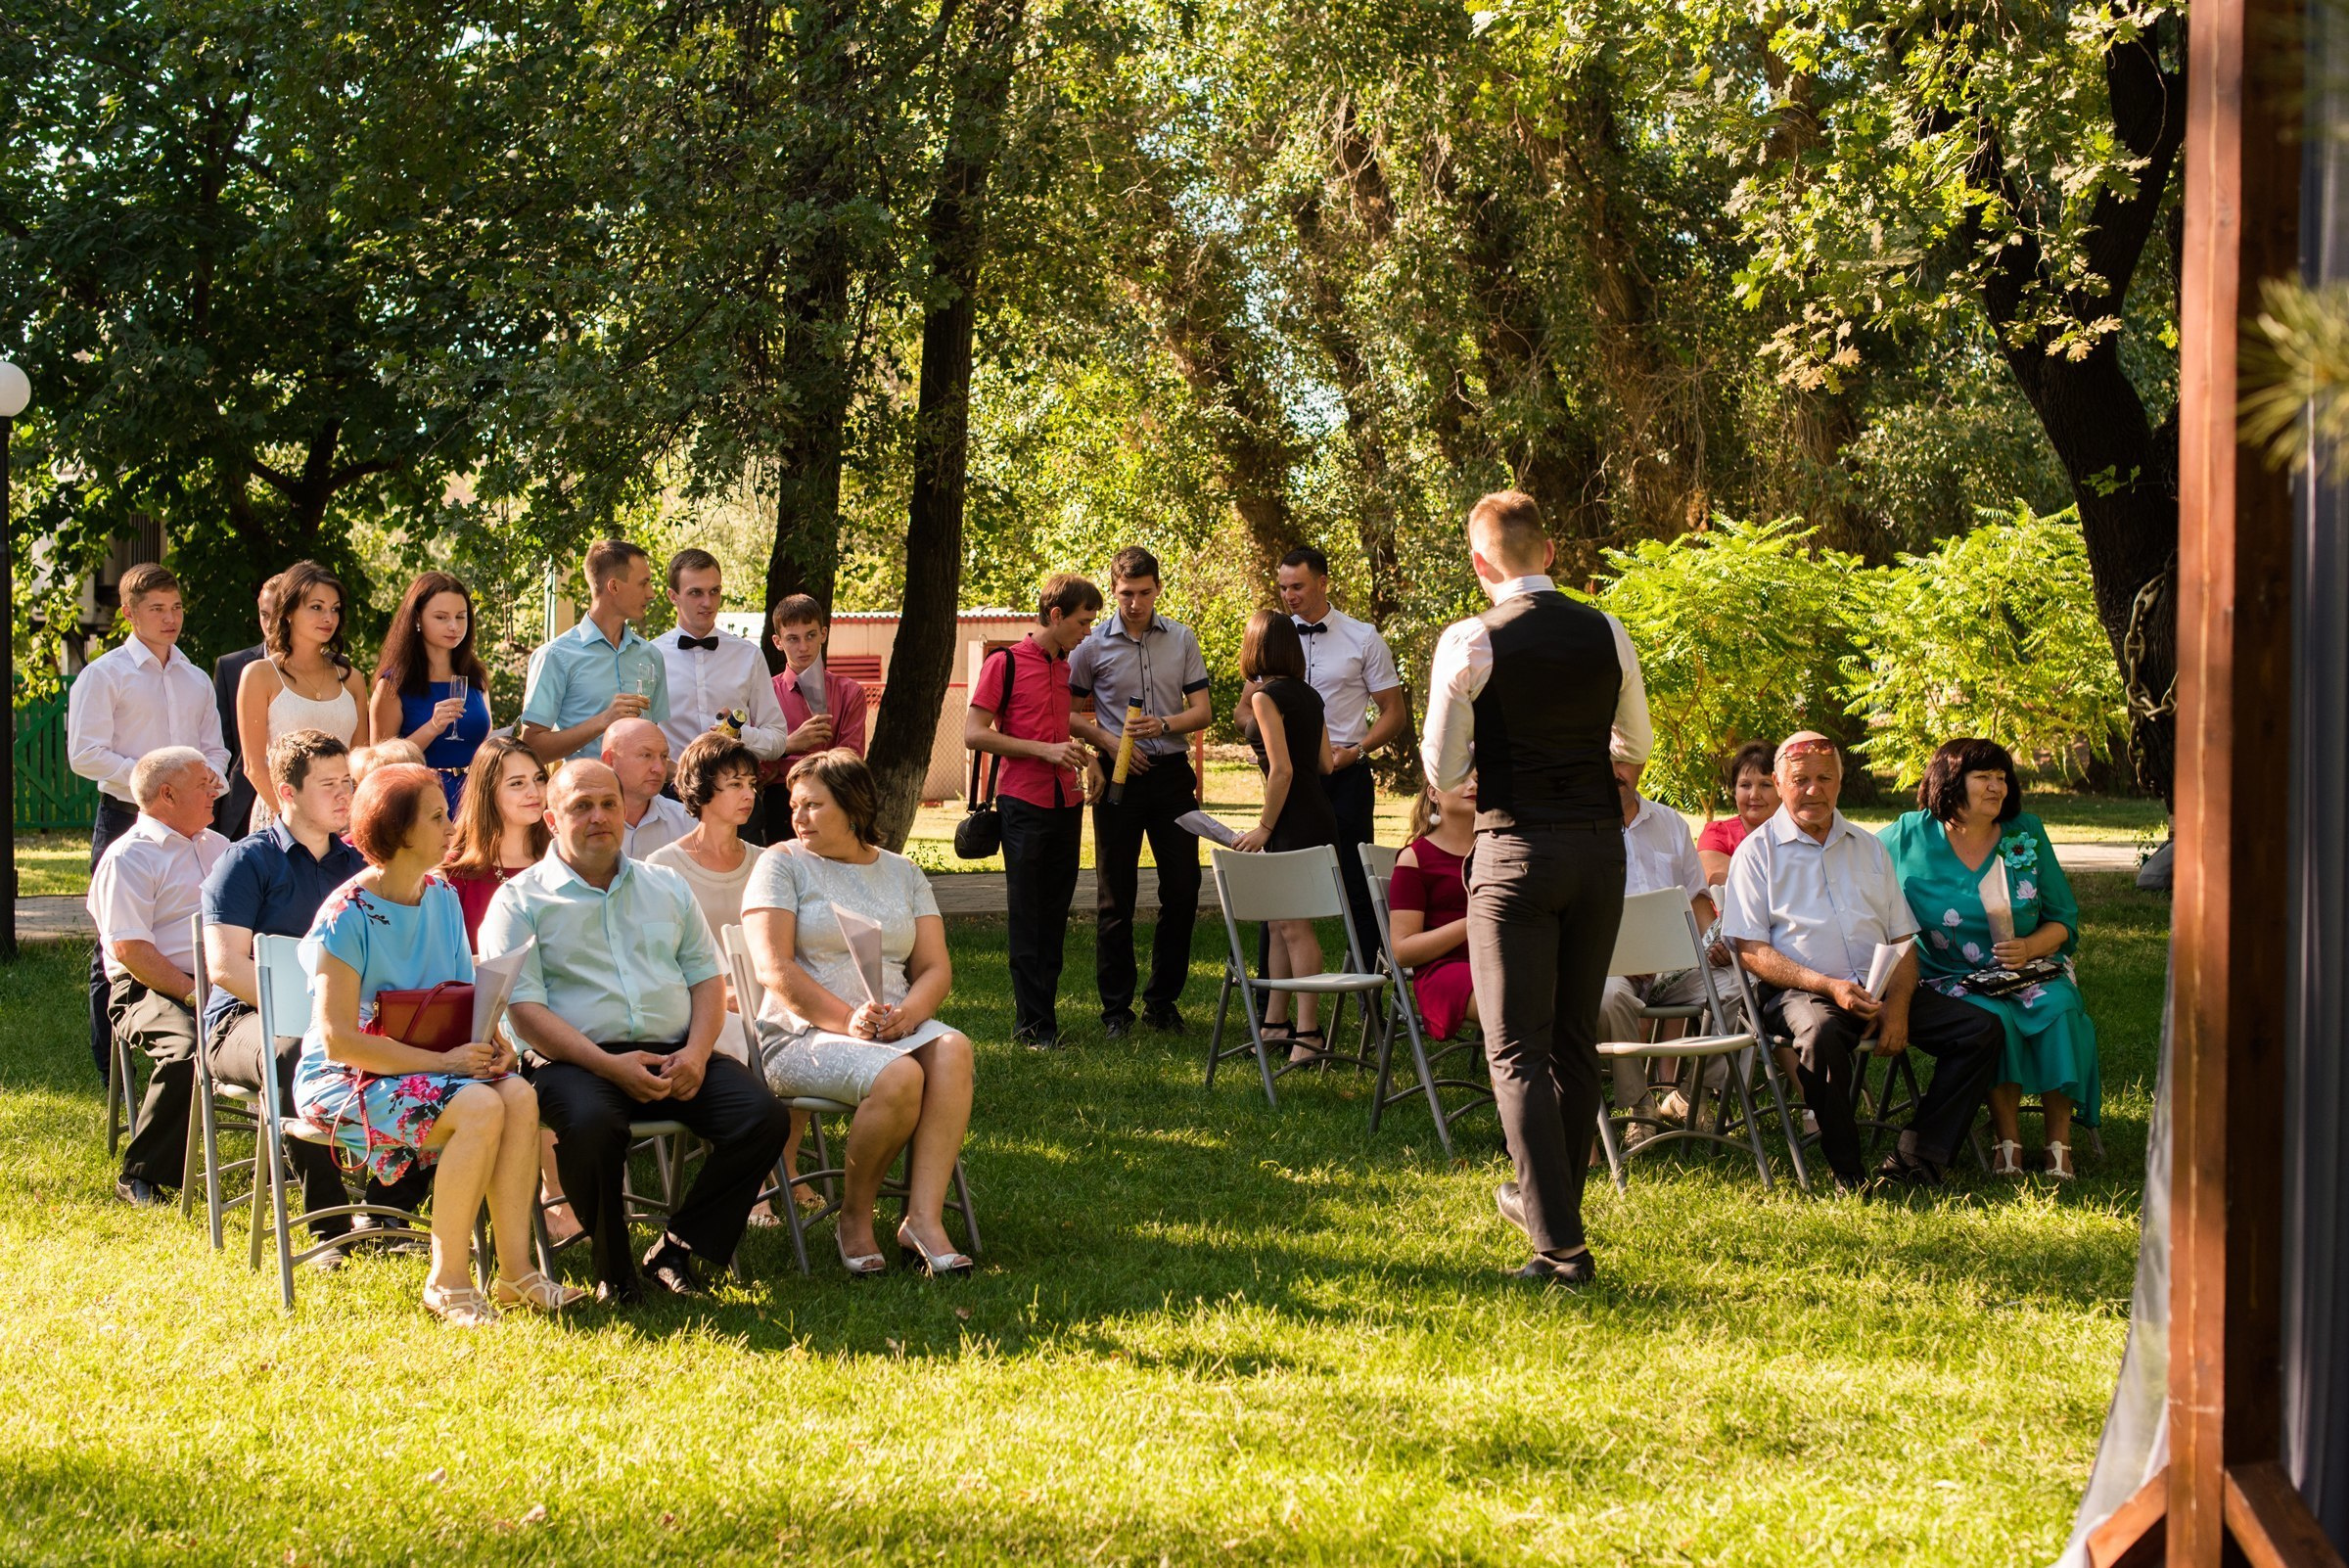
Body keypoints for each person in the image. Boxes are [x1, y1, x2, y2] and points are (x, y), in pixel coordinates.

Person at [1421, 489, 1653, 1283]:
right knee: (1571, 1042)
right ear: (1548, 553)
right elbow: (1637, 742)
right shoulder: (1606, 628)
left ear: (1481, 563)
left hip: (1516, 850)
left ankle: (1559, 1247)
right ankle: (1550, 1205)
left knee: (1516, 1047)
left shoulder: (1469, 640)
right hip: (1597, 852)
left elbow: (1444, 773)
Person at [484, 761, 790, 1304]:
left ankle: (677, 1247)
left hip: (677, 1054)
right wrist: (607, 1067)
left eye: (609, 803)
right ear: (552, 821)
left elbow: (706, 980)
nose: (599, 816)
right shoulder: (518, 901)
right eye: (581, 806)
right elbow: (526, 1012)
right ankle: (614, 1270)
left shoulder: (665, 885)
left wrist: (698, 1053)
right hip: (574, 1062)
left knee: (761, 1118)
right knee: (593, 1123)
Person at [297, 763, 581, 1324]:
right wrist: (446, 1063)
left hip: (429, 1068)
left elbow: (464, 998)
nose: (452, 826)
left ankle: (516, 1274)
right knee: (477, 1106)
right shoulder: (346, 914)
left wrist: (493, 1043)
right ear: (400, 832)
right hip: (348, 1078)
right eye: (436, 817)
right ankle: (447, 1282)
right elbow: (338, 1042)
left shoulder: (443, 895)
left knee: (518, 1094)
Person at [1721, 733, 2004, 1192]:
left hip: (1879, 986)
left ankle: (1916, 1159)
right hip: (1802, 992)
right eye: (1801, 780)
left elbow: (1903, 939)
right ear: (1778, 781)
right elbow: (1752, 951)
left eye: (1824, 778)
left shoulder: (1868, 847)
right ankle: (1848, 1174)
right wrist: (1828, 986)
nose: (1814, 789)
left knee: (1981, 1031)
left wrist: (1898, 1001)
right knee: (1821, 1033)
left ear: (1840, 781)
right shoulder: (1758, 853)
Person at [742, 751, 978, 1277]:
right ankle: (855, 1217)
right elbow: (773, 966)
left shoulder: (903, 872)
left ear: (853, 807)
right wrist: (848, 1018)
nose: (797, 817)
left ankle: (923, 1218)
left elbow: (935, 967)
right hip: (801, 1033)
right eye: (794, 805)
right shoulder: (781, 863)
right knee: (899, 1076)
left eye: (813, 805)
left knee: (954, 1047)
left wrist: (909, 1015)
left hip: (893, 1028)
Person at [1880, 738, 2100, 1180]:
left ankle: (2059, 1145)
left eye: (2002, 777)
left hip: (2032, 968)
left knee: (2058, 1008)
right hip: (1952, 977)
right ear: (1950, 782)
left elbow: (2064, 920)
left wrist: (2030, 947)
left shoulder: (2026, 832)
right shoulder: (1907, 835)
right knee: (1992, 1017)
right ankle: (2008, 1144)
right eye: (1983, 777)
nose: (1996, 787)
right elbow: (1854, 874)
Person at [199, 728, 370, 1246]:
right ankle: (331, 1226)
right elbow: (225, 967)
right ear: (288, 793)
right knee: (292, 1052)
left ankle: (390, 1214)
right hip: (246, 1022)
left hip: (336, 1017)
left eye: (348, 781)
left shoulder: (357, 864)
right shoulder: (246, 861)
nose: (345, 795)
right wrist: (311, 1014)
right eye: (328, 784)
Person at [67, 563, 230, 1083]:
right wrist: (150, 782)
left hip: (191, 820)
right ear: (130, 614)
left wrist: (209, 783)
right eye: (157, 609)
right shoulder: (105, 675)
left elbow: (215, 748)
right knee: (115, 943)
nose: (170, 618)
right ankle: (113, 1072)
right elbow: (84, 753)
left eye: (176, 607)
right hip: (124, 817)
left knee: (195, 923)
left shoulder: (196, 677)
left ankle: (205, 1032)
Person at [1068, 546, 1214, 1038]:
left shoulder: (1182, 639)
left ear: (1158, 589)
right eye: (1126, 594)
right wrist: (1106, 743)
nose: (1135, 603)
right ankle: (1115, 1012)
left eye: (1145, 592)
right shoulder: (1090, 647)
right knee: (1116, 896)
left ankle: (1162, 1002)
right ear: (1113, 591)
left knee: (1183, 888)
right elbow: (1063, 712)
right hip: (1118, 777)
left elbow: (1203, 710)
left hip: (1172, 776)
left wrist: (1164, 723)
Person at [1237, 545, 1405, 954]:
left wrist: (1358, 752)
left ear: (1323, 582)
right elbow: (1244, 711)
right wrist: (1258, 733)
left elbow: (1394, 713)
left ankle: (1371, 1002)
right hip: (1287, 782)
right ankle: (1270, 1013)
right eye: (1282, 588)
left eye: (1298, 586)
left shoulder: (1363, 637)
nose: (1289, 596)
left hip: (1344, 776)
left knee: (1357, 886)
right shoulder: (1272, 639)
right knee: (1279, 897)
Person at [960, 574, 1100, 1049]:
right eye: (1083, 621)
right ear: (1056, 615)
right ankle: (1032, 1026)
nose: (1088, 631)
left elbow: (1062, 729)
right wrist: (1043, 751)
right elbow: (974, 733)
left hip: (1067, 801)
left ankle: (1044, 1019)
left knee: (1055, 913)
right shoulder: (1005, 663)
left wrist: (1088, 755)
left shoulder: (1065, 669)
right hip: (1023, 802)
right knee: (1028, 915)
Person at [87, 746, 230, 1204]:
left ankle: (294, 1153)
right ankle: (140, 1175)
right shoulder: (129, 856)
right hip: (148, 984)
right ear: (166, 794)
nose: (216, 792)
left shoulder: (220, 847)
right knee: (189, 1049)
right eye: (203, 784)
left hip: (225, 975)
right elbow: (130, 949)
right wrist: (193, 993)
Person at [1597, 752, 1730, 1134]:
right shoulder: (1575, 827)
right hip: (1611, 966)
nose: (1614, 771)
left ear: (1640, 765)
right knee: (1607, 998)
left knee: (1742, 984)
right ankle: (1640, 1104)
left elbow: (1696, 899)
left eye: (1622, 761)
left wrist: (1712, 947)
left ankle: (1690, 1093)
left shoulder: (1669, 822)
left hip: (1675, 964)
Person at [1232, 609, 1339, 1061]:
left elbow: (1284, 770)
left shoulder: (1265, 697)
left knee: (1293, 927)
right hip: (1316, 812)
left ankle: (1310, 1034)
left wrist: (1265, 827)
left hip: (1292, 819)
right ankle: (1275, 1025)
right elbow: (1327, 764)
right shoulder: (1309, 695)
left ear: (1255, 648)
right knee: (1278, 925)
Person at [652, 550, 791, 841]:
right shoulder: (649, 658)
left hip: (738, 802)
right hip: (670, 801)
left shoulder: (748, 655)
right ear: (672, 596)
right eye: (696, 593)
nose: (708, 602)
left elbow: (777, 738)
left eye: (715, 591)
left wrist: (741, 738)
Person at [646, 733, 764, 1065]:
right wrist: (717, 996)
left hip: (767, 1001)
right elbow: (657, 960)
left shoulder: (768, 862)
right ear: (703, 788)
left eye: (752, 784)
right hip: (697, 1010)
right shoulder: (663, 866)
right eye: (736, 784)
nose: (748, 794)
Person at [235, 559, 371, 829]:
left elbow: (359, 763)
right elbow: (254, 766)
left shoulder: (352, 678)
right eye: (316, 607)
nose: (328, 618)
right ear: (288, 612)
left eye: (334, 609)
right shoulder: (259, 675)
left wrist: (347, 819)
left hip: (343, 821)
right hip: (281, 818)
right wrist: (295, 822)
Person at [517, 539, 669, 764]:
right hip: (588, 795)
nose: (651, 593)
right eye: (643, 583)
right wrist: (603, 720)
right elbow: (532, 749)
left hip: (646, 797)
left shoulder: (651, 655)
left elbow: (654, 745)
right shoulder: (555, 656)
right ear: (614, 586)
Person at [367, 571, 494, 815]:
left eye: (461, 616)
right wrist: (432, 727)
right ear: (417, 618)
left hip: (476, 801)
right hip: (420, 804)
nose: (454, 626)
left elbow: (484, 743)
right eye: (441, 617)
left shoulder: (475, 678)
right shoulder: (393, 685)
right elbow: (379, 768)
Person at [764, 595, 868, 843]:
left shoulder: (849, 692)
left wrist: (784, 759)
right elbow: (761, 769)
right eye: (793, 638)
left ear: (823, 633)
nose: (803, 647)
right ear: (778, 642)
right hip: (781, 801)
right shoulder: (764, 694)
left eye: (810, 635)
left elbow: (850, 759)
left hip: (836, 795)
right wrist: (789, 744)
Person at [1389, 777, 1480, 1040]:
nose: (1473, 785)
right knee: (1518, 1000)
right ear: (1433, 793)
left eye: (1478, 778)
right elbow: (1403, 951)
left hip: (1501, 960)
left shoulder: (1498, 852)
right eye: (1461, 779)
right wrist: (1474, 920)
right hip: (1444, 972)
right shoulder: (1415, 858)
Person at [442, 735, 552, 944]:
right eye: (517, 783)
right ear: (488, 792)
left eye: (539, 779)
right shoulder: (455, 872)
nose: (534, 792)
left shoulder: (561, 857)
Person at [210, 574, 284, 840]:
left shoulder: (334, 670)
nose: (270, 624)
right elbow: (223, 746)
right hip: (241, 804)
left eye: (277, 615)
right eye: (264, 615)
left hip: (302, 796)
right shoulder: (231, 667)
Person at [603, 716, 690, 857]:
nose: (660, 768)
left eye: (663, 756)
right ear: (610, 760)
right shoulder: (587, 822)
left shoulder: (687, 822)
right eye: (645, 755)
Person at [1696, 741, 1779, 886]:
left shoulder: (1802, 834)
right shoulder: (1717, 835)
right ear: (1734, 792)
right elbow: (1732, 886)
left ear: (1783, 790)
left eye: (1765, 785)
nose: (1754, 795)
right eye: (1745, 785)